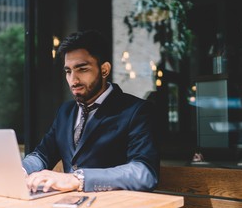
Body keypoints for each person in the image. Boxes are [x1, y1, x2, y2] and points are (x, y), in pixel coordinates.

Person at [23, 30, 160, 194]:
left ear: (104, 70)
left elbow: (144, 173)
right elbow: (42, 155)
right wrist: (20, 170)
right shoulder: (65, 112)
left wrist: (77, 179)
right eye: (68, 71)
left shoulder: (136, 111)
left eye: (82, 69)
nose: (73, 80)